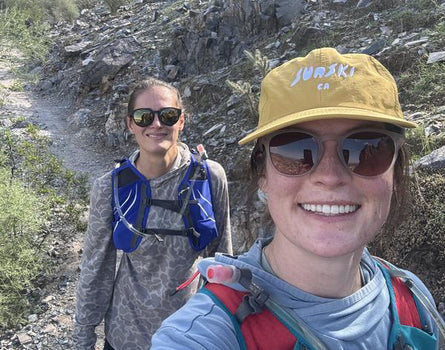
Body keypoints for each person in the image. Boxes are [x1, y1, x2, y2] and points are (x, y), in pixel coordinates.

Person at [151, 48, 443, 349]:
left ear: (395, 172)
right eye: (294, 151)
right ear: (261, 172)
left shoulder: (413, 297)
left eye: (365, 149)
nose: (329, 177)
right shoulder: (201, 336)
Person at [72, 77, 232, 350]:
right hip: (126, 336)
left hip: (191, 335)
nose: (156, 125)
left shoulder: (208, 176)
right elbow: (96, 268)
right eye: (144, 116)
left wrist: (226, 328)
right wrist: (83, 339)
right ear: (130, 124)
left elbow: (223, 261)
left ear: (181, 121)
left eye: (168, 115)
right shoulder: (109, 187)